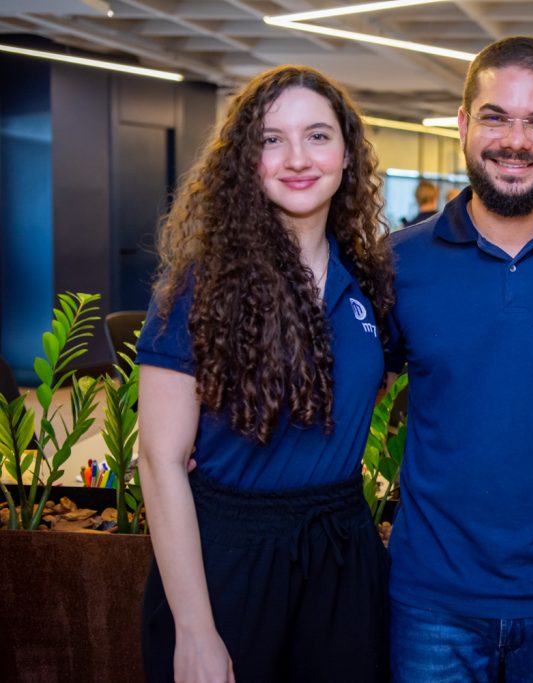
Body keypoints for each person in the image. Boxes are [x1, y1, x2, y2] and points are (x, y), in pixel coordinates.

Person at [135, 65, 393, 683]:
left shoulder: (370, 283)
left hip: (343, 554)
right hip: (230, 559)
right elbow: (160, 460)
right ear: (246, 160)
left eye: (318, 136)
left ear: (348, 154)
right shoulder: (200, 288)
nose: (297, 158)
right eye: (272, 140)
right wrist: (195, 629)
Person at [385, 36, 533, 682]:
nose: (515, 140)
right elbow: (348, 401)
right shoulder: (399, 262)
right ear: (462, 125)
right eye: (495, 117)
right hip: (430, 599)